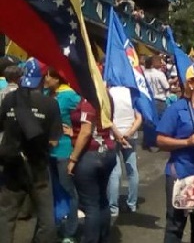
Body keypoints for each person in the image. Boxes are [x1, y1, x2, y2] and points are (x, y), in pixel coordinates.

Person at [0, 58, 62, 243]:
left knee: (6, 216)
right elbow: (54, 140)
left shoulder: (9, 98)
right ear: (42, 79)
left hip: (12, 164)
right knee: (46, 219)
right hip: (38, 168)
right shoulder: (50, 104)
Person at [156, 63, 194, 243]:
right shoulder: (177, 108)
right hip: (181, 174)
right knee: (175, 225)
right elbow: (160, 140)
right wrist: (186, 142)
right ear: (191, 83)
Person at [68, 95, 117, 243]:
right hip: (107, 151)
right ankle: (104, 237)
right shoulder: (106, 95)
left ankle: (91, 239)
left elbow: (86, 131)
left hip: (91, 153)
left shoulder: (89, 99)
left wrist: (73, 159)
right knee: (101, 199)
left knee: (90, 205)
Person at [45, 68, 81, 243]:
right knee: (52, 190)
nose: (45, 78)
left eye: (48, 76)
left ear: (58, 79)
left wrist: (74, 131)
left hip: (64, 151)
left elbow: (90, 116)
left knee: (68, 190)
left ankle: (71, 231)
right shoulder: (46, 92)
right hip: (47, 152)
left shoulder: (71, 96)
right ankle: (57, 223)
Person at [107, 86, 142, 217]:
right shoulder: (132, 92)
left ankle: (113, 208)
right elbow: (139, 118)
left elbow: (107, 118)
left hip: (113, 135)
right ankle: (131, 204)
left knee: (115, 172)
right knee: (132, 170)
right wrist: (129, 133)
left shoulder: (108, 92)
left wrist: (119, 136)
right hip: (130, 136)